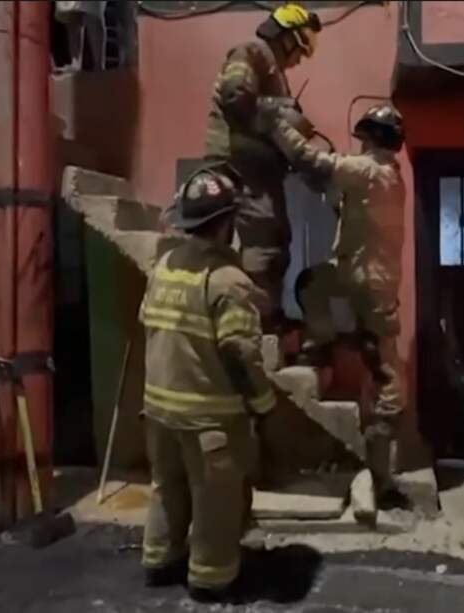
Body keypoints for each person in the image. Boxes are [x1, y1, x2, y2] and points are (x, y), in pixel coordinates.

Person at [139, 165, 275, 603]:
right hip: (209, 420)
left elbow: (150, 327)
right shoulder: (228, 282)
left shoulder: (163, 266)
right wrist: (263, 402)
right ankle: (211, 580)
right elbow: (241, 353)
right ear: (227, 224)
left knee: (167, 488)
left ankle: (159, 561)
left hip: (158, 412)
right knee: (216, 499)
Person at [263, 104, 407, 499]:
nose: (360, 144)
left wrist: (277, 125)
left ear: (373, 139)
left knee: (385, 373)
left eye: (364, 138)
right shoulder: (388, 177)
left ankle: (382, 468)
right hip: (360, 276)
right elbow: (354, 210)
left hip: (368, 284)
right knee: (312, 284)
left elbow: (310, 159)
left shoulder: (367, 169)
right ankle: (322, 344)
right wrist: (331, 194)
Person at [202, 2, 322, 332]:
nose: (298, 60)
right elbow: (235, 95)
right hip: (236, 163)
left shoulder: (271, 70)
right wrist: (282, 111)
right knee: (264, 242)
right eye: (299, 50)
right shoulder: (251, 52)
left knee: (277, 237)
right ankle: (255, 319)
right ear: (287, 38)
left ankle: (264, 312)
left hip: (256, 168)